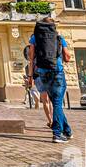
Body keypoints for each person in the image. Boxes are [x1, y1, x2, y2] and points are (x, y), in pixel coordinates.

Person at [29, 15, 73, 143]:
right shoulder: (59, 37)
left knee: (55, 103)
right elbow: (67, 57)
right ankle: (57, 134)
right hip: (57, 72)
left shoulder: (34, 38)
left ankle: (67, 131)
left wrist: (30, 76)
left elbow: (31, 58)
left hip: (42, 73)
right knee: (58, 103)